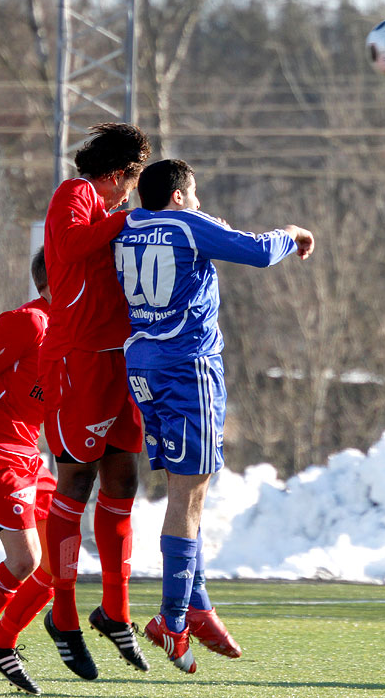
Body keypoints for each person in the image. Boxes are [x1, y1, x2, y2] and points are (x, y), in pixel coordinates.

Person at [113, 158, 315, 673]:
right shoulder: (187, 224)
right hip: (188, 369)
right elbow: (258, 251)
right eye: (195, 193)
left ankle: (196, 606)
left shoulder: (128, 225)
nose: (200, 202)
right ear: (179, 196)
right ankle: (173, 619)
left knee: (186, 490)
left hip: (142, 364)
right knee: (189, 492)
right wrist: (292, 233)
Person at [40, 123, 151, 680]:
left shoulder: (118, 218)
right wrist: (129, 217)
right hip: (75, 359)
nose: (131, 195)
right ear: (116, 175)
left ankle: (115, 611)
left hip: (117, 361)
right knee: (76, 482)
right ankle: (63, 616)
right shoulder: (75, 194)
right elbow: (77, 243)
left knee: (123, 480)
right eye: (129, 184)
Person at [0, 249, 55, 695]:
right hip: (3, 454)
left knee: (56, 563)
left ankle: (2, 641)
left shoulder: (73, 334)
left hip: (32, 458)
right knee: (25, 560)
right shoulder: (28, 322)